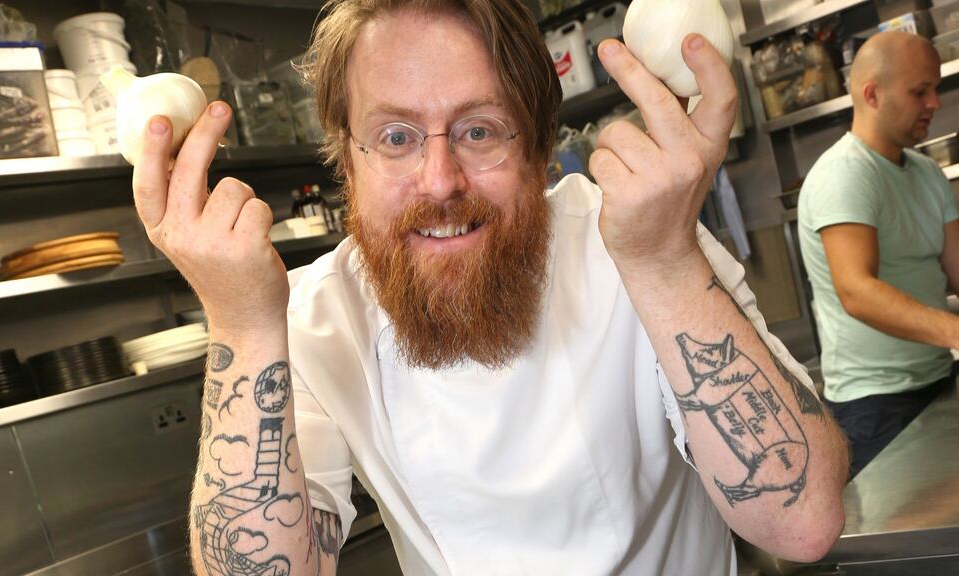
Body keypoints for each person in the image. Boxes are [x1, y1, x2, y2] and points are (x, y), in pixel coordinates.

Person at [132, 1, 848, 574]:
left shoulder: (639, 236)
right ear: (346, 158)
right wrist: (240, 323)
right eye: (395, 137)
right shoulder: (317, 316)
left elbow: (804, 520)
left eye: (480, 131)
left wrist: (666, 264)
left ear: (538, 151)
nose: (440, 181)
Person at [799, 31, 959, 480]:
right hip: (874, 407)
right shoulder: (843, 175)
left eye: (936, 89)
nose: (935, 103)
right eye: (919, 91)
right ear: (872, 94)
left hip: (938, 381)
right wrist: (955, 330)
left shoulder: (927, 173)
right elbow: (858, 292)